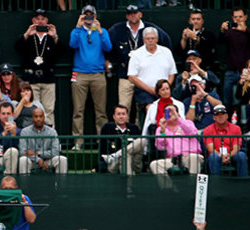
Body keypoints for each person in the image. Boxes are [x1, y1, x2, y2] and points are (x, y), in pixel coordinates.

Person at [108, 5, 173, 113]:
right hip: (125, 75)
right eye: (130, 14)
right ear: (126, 16)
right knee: (123, 107)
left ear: (140, 14)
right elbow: (107, 46)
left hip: (144, 78)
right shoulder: (117, 29)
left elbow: (166, 42)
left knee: (143, 108)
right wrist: (108, 59)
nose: (133, 16)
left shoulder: (150, 28)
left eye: (135, 13)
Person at [69, 5, 111, 147]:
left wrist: (99, 30)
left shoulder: (101, 31)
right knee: (78, 110)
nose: (88, 18)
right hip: (80, 74)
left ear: (95, 16)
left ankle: (102, 142)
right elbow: (72, 44)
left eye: (91, 15)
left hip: (98, 74)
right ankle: (78, 142)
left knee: (101, 111)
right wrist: (78, 26)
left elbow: (108, 47)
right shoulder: (77, 31)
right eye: (86, 15)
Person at [14, 9, 61, 127]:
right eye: (37, 19)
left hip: (48, 78)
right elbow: (17, 48)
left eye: (43, 19)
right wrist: (26, 34)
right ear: (33, 20)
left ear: (47, 20)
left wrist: (55, 37)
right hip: (31, 79)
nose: (40, 21)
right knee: (34, 109)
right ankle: (34, 134)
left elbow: (59, 54)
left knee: (49, 110)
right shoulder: (29, 36)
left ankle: (50, 135)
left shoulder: (50, 37)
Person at [219, 7, 250, 112]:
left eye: (240, 17)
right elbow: (220, 41)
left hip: (247, 72)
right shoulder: (230, 32)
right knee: (227, 100)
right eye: (235, 17)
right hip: (231, 71)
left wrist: (244, 30)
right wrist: (222, 30)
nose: (238, 20)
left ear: (245, 17)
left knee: (246, 100)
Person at [126, 26, 177, 108]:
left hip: (165, 91)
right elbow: (131, 77)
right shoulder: (137, 54)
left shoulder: (166, 52)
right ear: (143, 40)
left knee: (170, 107)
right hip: (144, 91)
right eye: (148, 38)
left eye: (153, 38)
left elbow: (172, 73)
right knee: (150, 108)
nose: (150, 41)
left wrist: (164, 88)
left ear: (157, 39)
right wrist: (151, 90)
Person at [152, 104, 203, 175]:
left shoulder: (188, 123)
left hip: (189, 156)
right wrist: (163, 132)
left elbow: (192, 133)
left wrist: (178, 119)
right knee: (155, 164)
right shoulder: (160, 129)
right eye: (167, 112)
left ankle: (192, 182)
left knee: (193, 157)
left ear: (177, 113)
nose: (170, 114)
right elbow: (160, 147)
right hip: (172, 159)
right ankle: (167, 183)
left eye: (172, 111)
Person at [99, 104, 146, 174]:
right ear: (114, 116)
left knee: (142, 141)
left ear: (127, 116)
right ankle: (128, 182)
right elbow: (102, 149)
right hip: (114, 163)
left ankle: (116, 155)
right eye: (118, 114)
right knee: (125, 156)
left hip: (134, 163)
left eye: (123, 114)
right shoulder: (107, 128)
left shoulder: (134, 128)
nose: (121, 116)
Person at [204, 104, 248, 176]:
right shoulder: (208, 130)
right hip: (217, 156)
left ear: (227, 116)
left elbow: (236, 147)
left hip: (232, 155)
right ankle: (216, 181)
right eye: (217, 115)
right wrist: (221, 156)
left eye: (223, 114)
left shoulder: (236, 128)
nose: (220, 116)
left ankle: (243, 180)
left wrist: (229, 155)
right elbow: (211, 149)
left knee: (241, 155)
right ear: (214, 117)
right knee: (213, 156)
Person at [18, 108, 65, 174]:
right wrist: (38, 160)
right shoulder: (25, 132)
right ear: (32, 118)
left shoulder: (52, 132)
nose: (38, 119)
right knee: (23, 160)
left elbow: (56, 151)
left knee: (62, 159)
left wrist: (38, 154)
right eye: (36, 116)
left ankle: (61, 181)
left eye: (41, 116)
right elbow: (23, 152)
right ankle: (23, 181)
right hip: (32, 161)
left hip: (48, 160)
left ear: (44, 118)